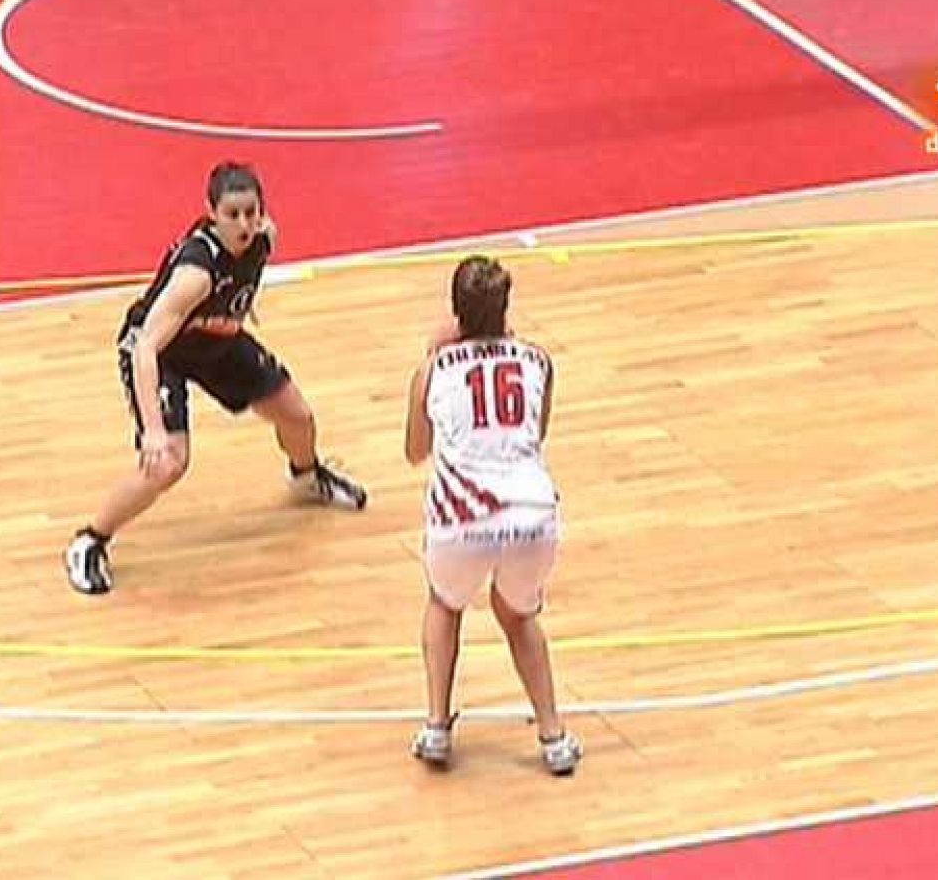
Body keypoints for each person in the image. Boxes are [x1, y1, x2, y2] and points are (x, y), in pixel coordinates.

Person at [64, 162, 368, 595]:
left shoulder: (265, 238)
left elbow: (245, 278)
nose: (245, 224)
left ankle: (306, 476)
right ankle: (90, 540)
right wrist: (153, 430)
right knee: (167, 463)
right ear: (211, 213)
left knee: (297, 416)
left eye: (251, 212)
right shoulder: (196, 274)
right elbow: (145, 347)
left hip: (216, 340)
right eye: (233, 215)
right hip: (160, 353)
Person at [403, 255, 582, 775]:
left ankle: (437, 726)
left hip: (463, 518)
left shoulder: (432, 369)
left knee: (444, 603)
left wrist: (433, 361)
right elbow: (536, 434)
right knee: (519, 615)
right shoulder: (539, 361)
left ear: (455, 313)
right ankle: (554, 736)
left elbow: (416, 451)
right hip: (532, 512)